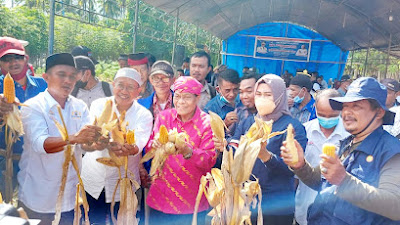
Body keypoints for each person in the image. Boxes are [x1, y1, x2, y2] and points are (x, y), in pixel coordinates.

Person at [281, 77, 400, 225]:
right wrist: (300, 165)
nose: (346, 113)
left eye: (356, 106)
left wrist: (344, 181)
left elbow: (394, 206)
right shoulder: (345, 144)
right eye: (344, 107)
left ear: (379, 112)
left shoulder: (392, 153)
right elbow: (319, 181)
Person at [17, 53, 106, 224]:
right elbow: (41, 145)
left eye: (72, 76)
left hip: (70, 197)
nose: (68, 81)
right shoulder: (33, 107)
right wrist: (75, 138)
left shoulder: (79, 106)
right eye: (62, 75)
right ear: (46, 77)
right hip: (39, 199)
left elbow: (85, 144)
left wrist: (97, 143)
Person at [216, 74, 307, 225]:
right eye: (258, 94)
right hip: (247, 200)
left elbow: (292, 169)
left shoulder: (293, 127)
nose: (261, 99)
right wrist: (224, 148)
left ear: (279, 97)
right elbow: (235, 148)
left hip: (276, 206)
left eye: (268, 95)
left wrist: (267, 157)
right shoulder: (249, 122)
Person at [81, 68, 153, 224]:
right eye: (120, 85)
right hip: (94, 179)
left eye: (130, 87)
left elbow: (138, 144)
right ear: (113, 85)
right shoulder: (98, 105)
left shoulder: (144, 114)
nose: (124, 91)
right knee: (92, 220)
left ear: (138, 91)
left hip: (123, 183)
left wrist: (129, 148)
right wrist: (97, 142)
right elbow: (92, 134)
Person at [146, 76, 216, 225]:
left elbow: (210, 159)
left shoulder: (207, 123)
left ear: (197, 98)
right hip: (161, 195)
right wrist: (155, 144)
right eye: (177, 96)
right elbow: (149, 147)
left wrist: (187, 151)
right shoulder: (164, 117)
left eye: (187, 97)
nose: (181, 102)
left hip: (190, 200)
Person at [0, 36, 47, 197]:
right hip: (6, 162)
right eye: (6, 59)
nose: (13, 63)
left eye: (18, 57)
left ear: (26, 59)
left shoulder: (43, 85)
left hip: (38, 161)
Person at [295, 89, 350, 225]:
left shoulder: (349, 136)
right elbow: (296, 174)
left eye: (332, 116)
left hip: (333, 212)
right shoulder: (304, 131)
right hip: (303, 204)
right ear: (315, 107)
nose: (326, 119)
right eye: (322, 114)